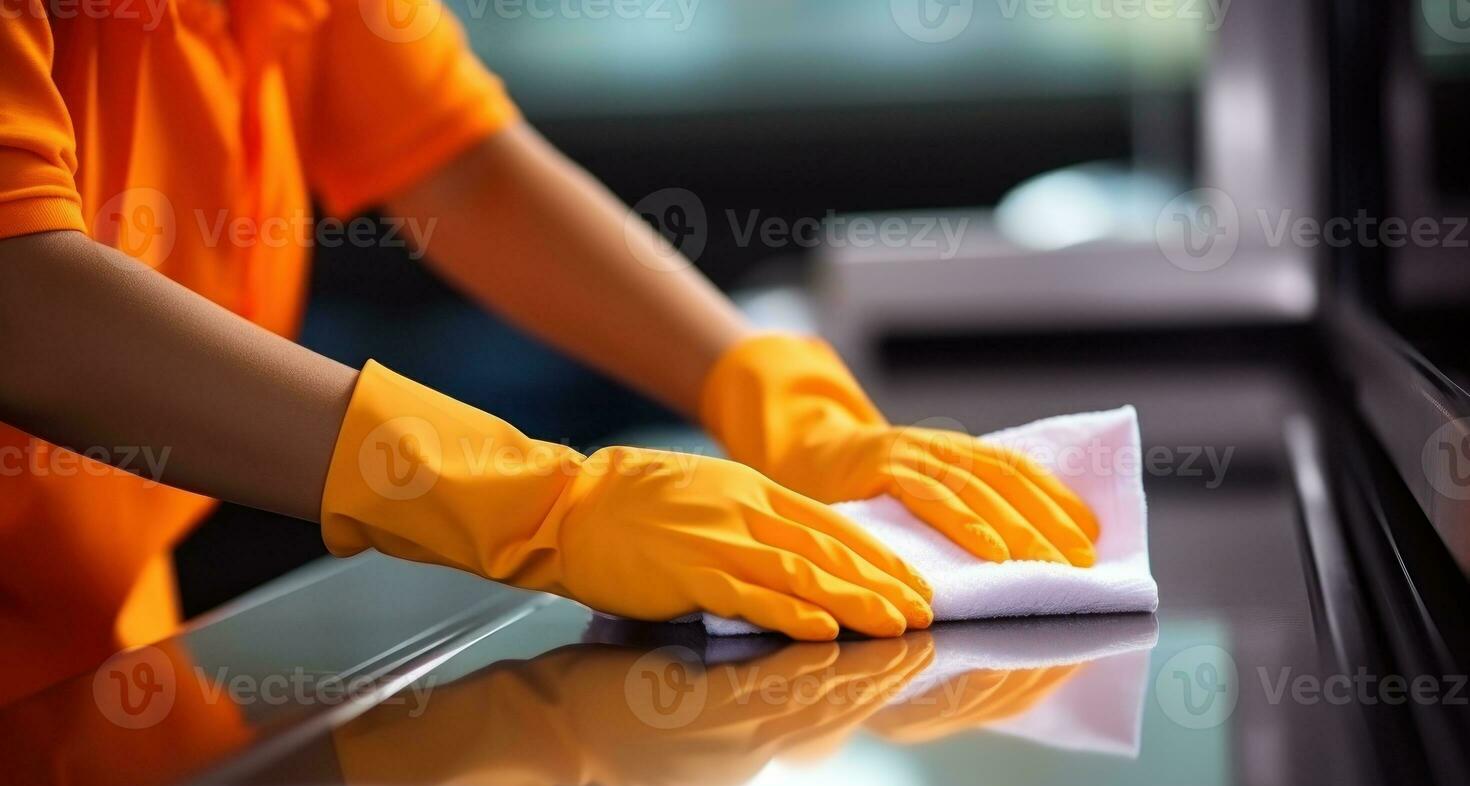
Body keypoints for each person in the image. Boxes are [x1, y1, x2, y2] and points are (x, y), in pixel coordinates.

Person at [0, 0, 1099, 707]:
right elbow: (25, 297)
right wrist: (541, 504)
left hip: (113, 650)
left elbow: (458, 162)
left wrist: (777, 394)